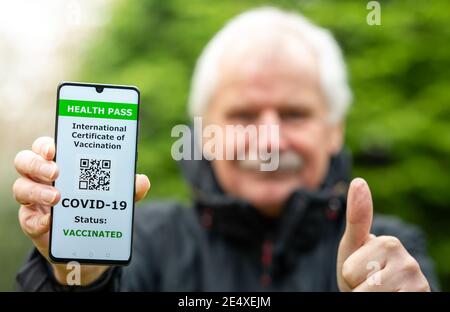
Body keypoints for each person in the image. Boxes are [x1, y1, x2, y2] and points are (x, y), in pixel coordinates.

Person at [14, 7, 438, 291]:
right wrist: (79, 276)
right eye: (243, 116)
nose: (268, 140)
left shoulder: (388, 252)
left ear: (334, 131)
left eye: (293, 114)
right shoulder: (138, 242)